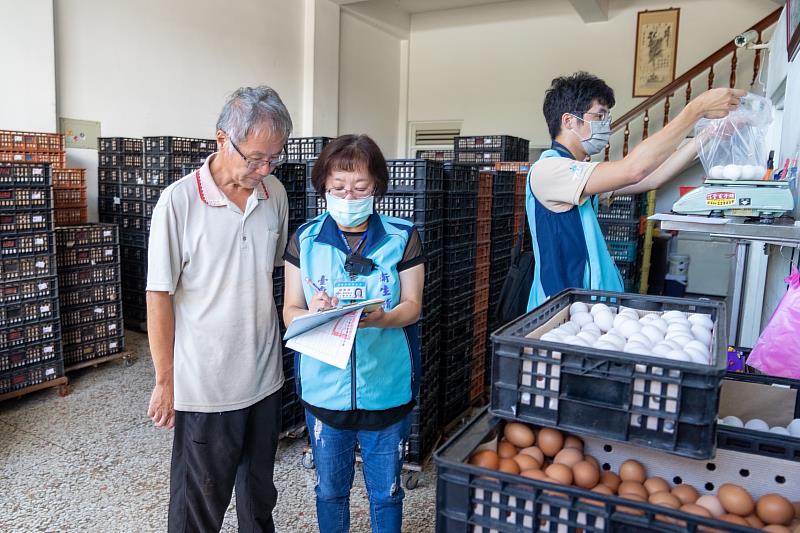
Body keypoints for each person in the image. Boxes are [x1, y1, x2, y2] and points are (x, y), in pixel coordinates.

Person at [145, 85, 292, 532]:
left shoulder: (275, 195)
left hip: (264, 377)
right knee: (198, 508)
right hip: (206, 386)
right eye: (254, 158)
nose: (263, 169)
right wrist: (165, 380)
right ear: (220, 139)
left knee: (258, 500)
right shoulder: (179, 202)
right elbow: (159, 295)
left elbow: (270, 271)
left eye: (274, 159)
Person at [282, 134, 425, 533]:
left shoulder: (402, 236)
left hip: (387, 386)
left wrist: (382, 317)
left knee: (386, 492)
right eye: (338, 187)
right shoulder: (305, 239)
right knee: (329, 490)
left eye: (360, 187)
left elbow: (413, 306)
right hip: (324, 388)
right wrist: (315, 311)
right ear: (323, 187)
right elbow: (290, 312)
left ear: (377, 187)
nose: (349, 195)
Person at [525, 72, 746, 309]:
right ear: (568, 121)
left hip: (589, 303)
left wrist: (708, 135)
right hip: (562, 307)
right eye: (599, 116)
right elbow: (634, 170)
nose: (605, 125)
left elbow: (653, 178)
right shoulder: (548, 170)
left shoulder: (582, 173)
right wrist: (695, 110)